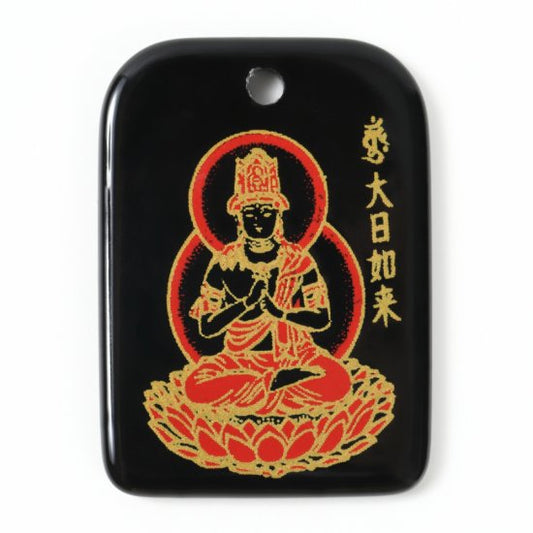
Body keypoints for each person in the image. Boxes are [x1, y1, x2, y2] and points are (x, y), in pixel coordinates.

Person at [185, 148, 351, 416]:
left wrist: (280, 313)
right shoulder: (224, 263)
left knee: (338, 381)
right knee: (195, 386)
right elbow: (207, 327)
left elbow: (322, 318)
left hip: (296, 358)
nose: (258, 221)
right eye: (250, 213)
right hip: (240, 361)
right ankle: (275, 385)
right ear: (239, 218)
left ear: (279, 215)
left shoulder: (298, 261)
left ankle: (257, 394)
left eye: (266, 212)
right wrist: (244, 305)